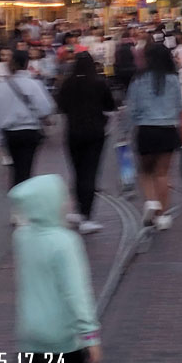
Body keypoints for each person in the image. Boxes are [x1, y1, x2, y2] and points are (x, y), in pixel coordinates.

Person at [9, 175, 102, 363]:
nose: (67, 201)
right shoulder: (65, 242)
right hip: (63, 337)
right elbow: (77, 293)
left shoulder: (21, 237)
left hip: (30, 335)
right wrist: (90, 335)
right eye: (63, 197)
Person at [56, 52, 116, 235]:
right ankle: (87, 216)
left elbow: (61, 107)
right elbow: (110, 107)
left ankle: (77, 210)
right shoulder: (99, 83)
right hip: (95, 133)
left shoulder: (67, 84)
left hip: (73, 133)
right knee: (90, 173)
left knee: (77, 171)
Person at [126, 44, 182, 230]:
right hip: (167, 129)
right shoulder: (174, 79)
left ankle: (151, 201)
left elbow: (132, 107)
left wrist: (132, 125)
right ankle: (163, 216)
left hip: (146, 129)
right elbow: (178, 105)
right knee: (162, 174)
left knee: (145, 172)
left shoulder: (139, 79)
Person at [0, 49, 56, 189]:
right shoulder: (34, 84)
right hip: (30, 131)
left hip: (10, 132)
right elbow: (46, 108)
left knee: (15, 165)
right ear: (27, 64)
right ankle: (25, 194)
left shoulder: (2, 86)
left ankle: (17, 193)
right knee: (27, 167)